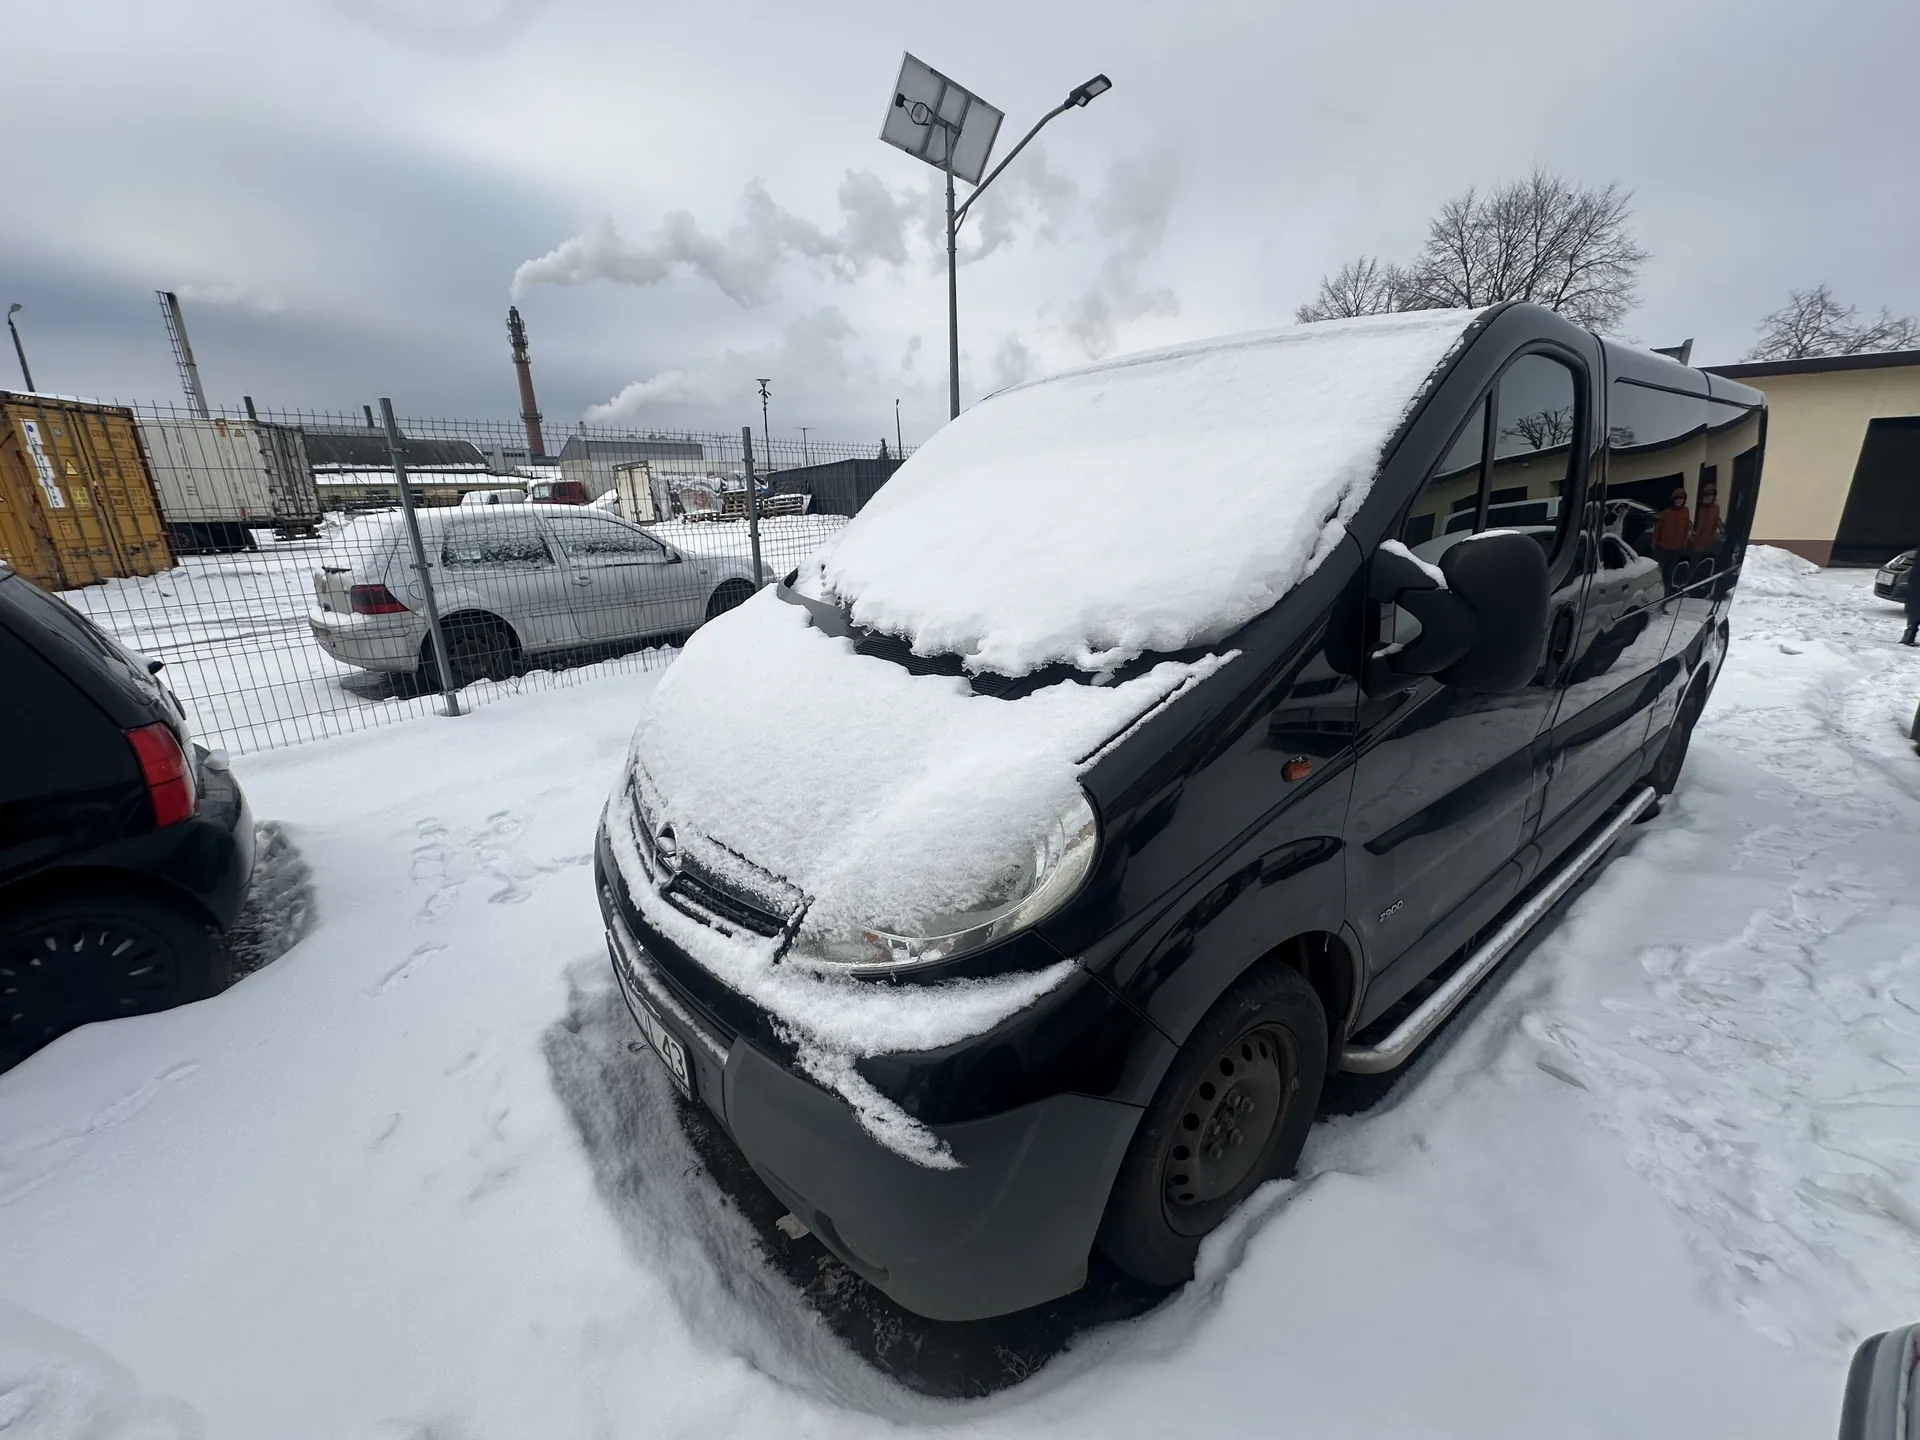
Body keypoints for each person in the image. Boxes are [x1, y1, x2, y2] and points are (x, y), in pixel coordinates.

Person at [1651, 488, 1692, 592]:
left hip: (1676, 550)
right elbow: (1658, 530)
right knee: (1658, 573)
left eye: (1681, 497)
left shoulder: (1686, 511)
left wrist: (1684, 543)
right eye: (1677, 498)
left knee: (1669, 574)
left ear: (1684, 499)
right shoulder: (1666, 512)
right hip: (1662, 548)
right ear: (1673, 499)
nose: (1679, 500)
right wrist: (1654, 544)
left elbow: (1686, 528)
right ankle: (1656, 594)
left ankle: (1665, 595)